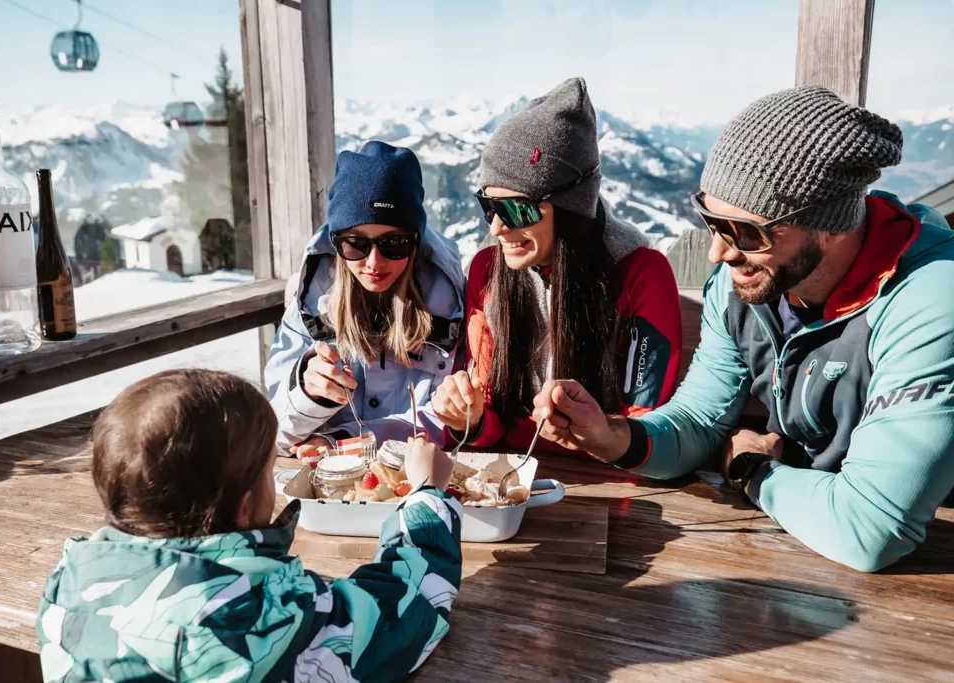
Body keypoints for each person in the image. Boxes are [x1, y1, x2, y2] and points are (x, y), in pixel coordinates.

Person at [532, 85, 954, 572]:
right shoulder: (742, 288)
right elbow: (699, 422)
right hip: (798, 546)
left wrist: (752, 471)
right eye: (712, 222)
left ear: (831, 224)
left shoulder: (928, 300)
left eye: (747, 233)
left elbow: (871, 529)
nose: (719, 253)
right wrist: (609, 435)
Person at [36, 368, 462, 682]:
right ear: (244, 508)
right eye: (267, 471)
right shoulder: (259, 616)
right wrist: (426, 494)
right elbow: (402, 615)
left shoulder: (67, 584)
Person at [430, 77, 682, 454]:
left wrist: (594, 433)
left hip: (609, 487)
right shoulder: (488, 270)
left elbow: (643, 424)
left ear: (569, 209)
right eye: (488, 206)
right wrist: (471, 418)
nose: (497, 227)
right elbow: (490, 415)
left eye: (515, 209)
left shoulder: (640, 274)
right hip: (513, 477)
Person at [265, 141, 465, 457]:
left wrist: (345, 444)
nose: (373, 263)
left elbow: (450, 422)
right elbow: (273, 433)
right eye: (355, 244)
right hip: (334, 486)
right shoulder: (310, 305)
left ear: (416, 242)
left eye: (394, 243)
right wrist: (309, 395)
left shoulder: (451, 307)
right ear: (335, 243)